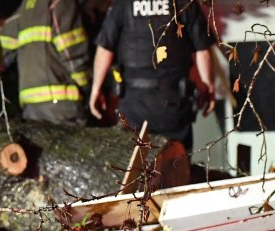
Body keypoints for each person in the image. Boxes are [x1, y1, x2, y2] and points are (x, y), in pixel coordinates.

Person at [88, 0, 215, 146]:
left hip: (133, 105)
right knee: (175, 163)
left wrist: (96, 89)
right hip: (173, 104)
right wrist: (209, 87)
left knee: (136, 162)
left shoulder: (123, 4)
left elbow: (105, 49)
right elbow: (203, 51)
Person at [0, 0, 92, 125]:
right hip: (62, 103)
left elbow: (5, 42)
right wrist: (88, 87)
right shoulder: (62, 3)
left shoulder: (27, 6)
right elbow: (73, 54)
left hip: (31, 103)